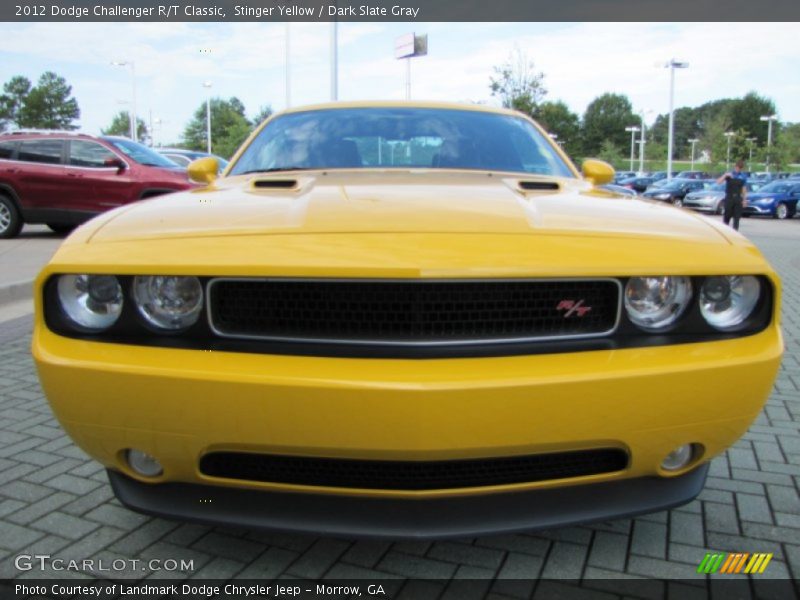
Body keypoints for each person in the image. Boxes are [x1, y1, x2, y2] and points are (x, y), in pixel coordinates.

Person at [716, 160, 748, 230]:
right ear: (735, 166)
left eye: (740, 168)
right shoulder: (729, 175)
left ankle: (735, 232)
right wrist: (725, 175)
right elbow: (718, 182)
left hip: (738, 198)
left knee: (737, 218)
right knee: (727, 215)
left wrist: (744, 200)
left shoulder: (743, 176)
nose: (738, 169)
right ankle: (725, 231)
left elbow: (744, 189)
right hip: (729, 197)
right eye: (737, 167)